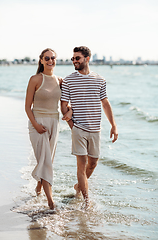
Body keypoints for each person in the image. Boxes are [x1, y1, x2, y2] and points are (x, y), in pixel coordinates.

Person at [61, 46, 118, 208]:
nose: (74, 61)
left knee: (93, 163)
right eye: (73, 58)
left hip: (96, 129)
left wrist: (113, 125)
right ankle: (86, 202)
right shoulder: (69, 80)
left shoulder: (100, 79)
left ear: (87, 59)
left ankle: (79, 187)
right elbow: (63, 105)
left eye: (77, 58)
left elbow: (105, 103)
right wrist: (72, 125)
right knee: (81, 163)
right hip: (78, 128)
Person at [25, 48, 72, 210]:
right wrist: (36, 125)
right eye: (47, 58)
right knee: (46, 162)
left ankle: (39, 185)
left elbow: (66, 104)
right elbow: (27, 107)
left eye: (53, 58)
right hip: (37, 123)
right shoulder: (35, 79)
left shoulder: (60, 80)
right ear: (41, 60)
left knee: (47, 161)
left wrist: (70, 112)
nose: (50, 60)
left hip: (54, 123)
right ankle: (51, 202)